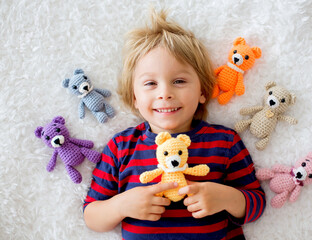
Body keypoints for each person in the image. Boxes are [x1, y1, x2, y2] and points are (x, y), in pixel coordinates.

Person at [83, 9, 265, 240]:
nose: (165, 93)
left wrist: (225, 197)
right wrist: (121, 206)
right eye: (150, 83)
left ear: (202, 91)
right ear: (135, 98)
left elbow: (257, 204)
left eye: (179, 81)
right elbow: (91, 215)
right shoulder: (122, 147)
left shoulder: (224, 142)